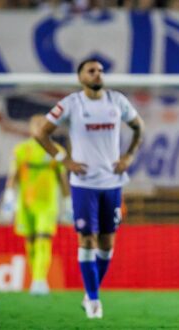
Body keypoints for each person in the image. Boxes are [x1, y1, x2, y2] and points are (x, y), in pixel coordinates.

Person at [35, 58, 144, 319]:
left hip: (112, 182)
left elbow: (139, 128)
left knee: (107, 243)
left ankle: (89, 292)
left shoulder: (117, 101)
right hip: (83, 184)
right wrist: (64, 160)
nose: (97, 74)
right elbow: (42, 134)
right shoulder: (71, 104)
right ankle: (94, 300)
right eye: (91, 70)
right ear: (80, 76)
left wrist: (128, 156)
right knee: (86, 239)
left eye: (100, 71)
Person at [0, 114, 72, 296]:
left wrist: (67, 202)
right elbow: (13, 175)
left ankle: (39, 280)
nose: (40, 128)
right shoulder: (21, 150)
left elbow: (62, 178)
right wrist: (9, 197)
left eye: (44, 125)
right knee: (31, 242)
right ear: (30, 128)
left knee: (43, 239)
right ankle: (36, 278)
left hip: (47, 204)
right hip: (26, 204)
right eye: (37, 124)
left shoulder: (56, 150)